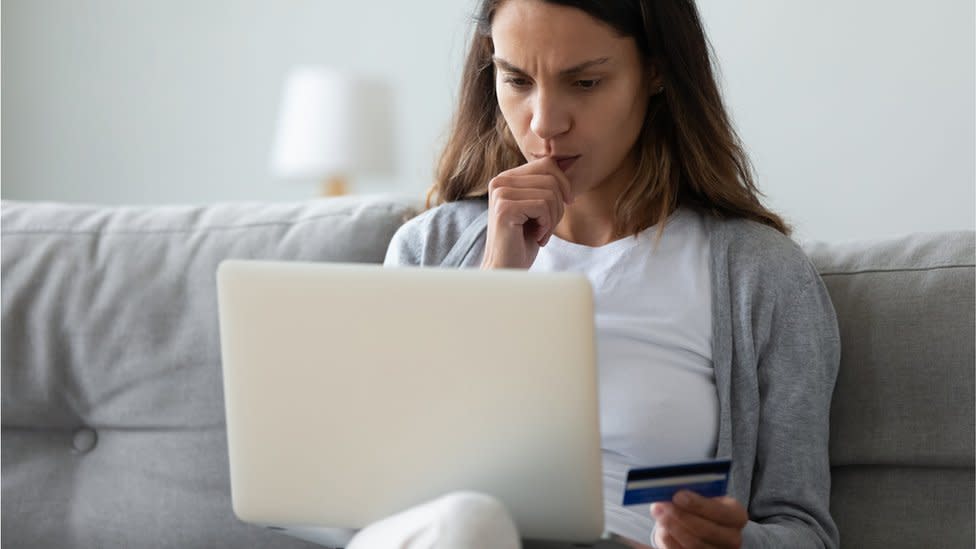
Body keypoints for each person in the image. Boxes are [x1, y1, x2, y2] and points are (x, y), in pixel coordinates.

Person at [357, 0, 841, 547]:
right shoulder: (430, 249)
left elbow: (804, 530)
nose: (544, 123)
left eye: (584, 83)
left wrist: (735, 543)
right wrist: (493, 286)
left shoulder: (761, 276)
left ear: (656, 72)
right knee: (468, 522)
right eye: (516, 79)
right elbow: (388, 482)